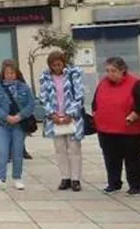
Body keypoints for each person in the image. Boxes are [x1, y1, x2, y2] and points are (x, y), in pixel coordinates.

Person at [39, 51, 86, 192]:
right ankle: (65, 177)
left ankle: (75, 179)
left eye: (59, 64)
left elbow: (80, 96)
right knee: (60, 150)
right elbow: (43, 98)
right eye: (53, 65)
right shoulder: (45, 77)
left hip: (72, 118)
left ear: (63, 63)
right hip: (55, 119)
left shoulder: (73, 75)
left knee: (74, 149)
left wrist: (70, 114)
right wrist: (51, 114)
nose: (56, 67)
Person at [93, 57, 140, 195]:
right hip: (106, 130)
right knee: (110, 158)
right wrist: (95, 114)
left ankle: (135, 185)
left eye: (113, 71)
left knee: (132, 159)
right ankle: (114, 183)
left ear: (122, 70)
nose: (110, 74)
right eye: (107, 71)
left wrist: (134, 115)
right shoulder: (102, 83)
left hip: (129, 130)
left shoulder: (135, 83)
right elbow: (95, 102)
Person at [0, 60, 35, 191]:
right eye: (7, 73)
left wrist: (20, 116)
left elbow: (31, 104)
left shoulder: (24, 88)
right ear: (3, 74)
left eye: (12, 73)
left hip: (19, 125)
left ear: (16, 74)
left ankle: (17, 178)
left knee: (17, 152)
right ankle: (0, 178)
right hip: (3, 125)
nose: (9, 75)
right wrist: (5, 116)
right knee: (2, 152)